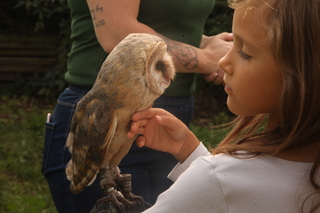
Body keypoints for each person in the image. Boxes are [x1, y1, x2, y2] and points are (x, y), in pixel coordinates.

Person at [127, 0, 320, 212]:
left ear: (305, 75)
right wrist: (190, 153)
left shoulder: (215, 180)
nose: (223, 62)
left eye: (245, 52)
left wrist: (208, 174)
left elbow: (226, 189)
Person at [41, 0, 233, 212]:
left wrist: (203, 44)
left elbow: (166, 20)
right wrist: (207, 59)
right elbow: (116, 33)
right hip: (107, 113)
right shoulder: (103, 111)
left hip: (168, 119)